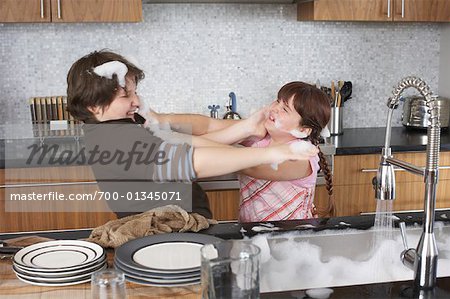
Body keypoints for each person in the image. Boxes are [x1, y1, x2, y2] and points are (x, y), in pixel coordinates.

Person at [65, 50, 318, 219]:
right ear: (94, 106)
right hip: (166, 240)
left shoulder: (124, 125)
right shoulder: (116, 141)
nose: (136, 101)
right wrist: (272, 151)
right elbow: (192, 159)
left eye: (134, 92)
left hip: (182, 229)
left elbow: (190, 141)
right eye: (126, 96)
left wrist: (245, 129)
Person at [148, 82, 334, 222]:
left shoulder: (299, 158)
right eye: (277, 101)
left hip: (290, 237)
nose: (275, 108)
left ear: (303, 130)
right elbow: (208, 125)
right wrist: (159, 119)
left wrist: (177, 142)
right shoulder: (261, 135)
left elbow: (243, 162)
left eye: (284, 109)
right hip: (253, 231)